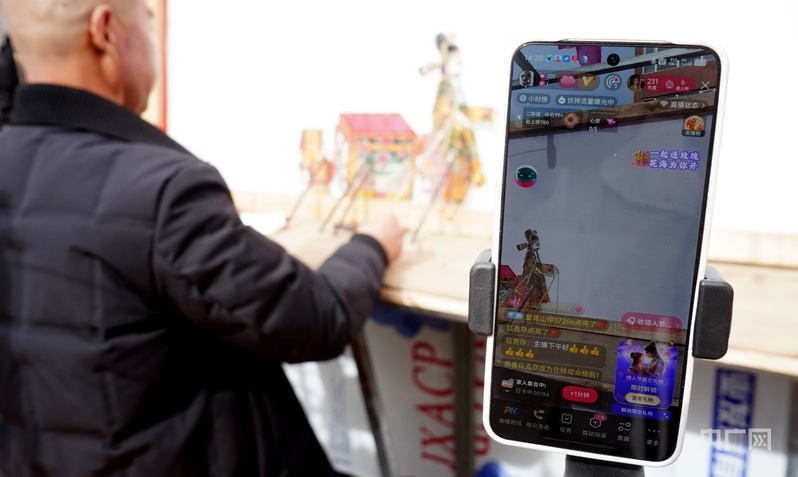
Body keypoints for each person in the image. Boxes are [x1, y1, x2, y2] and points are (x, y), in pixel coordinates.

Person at [0, 1, 404, 476]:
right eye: (148, 24)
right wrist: (372, 245)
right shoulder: (163, 191)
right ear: (105, 31)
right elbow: (316, 319)